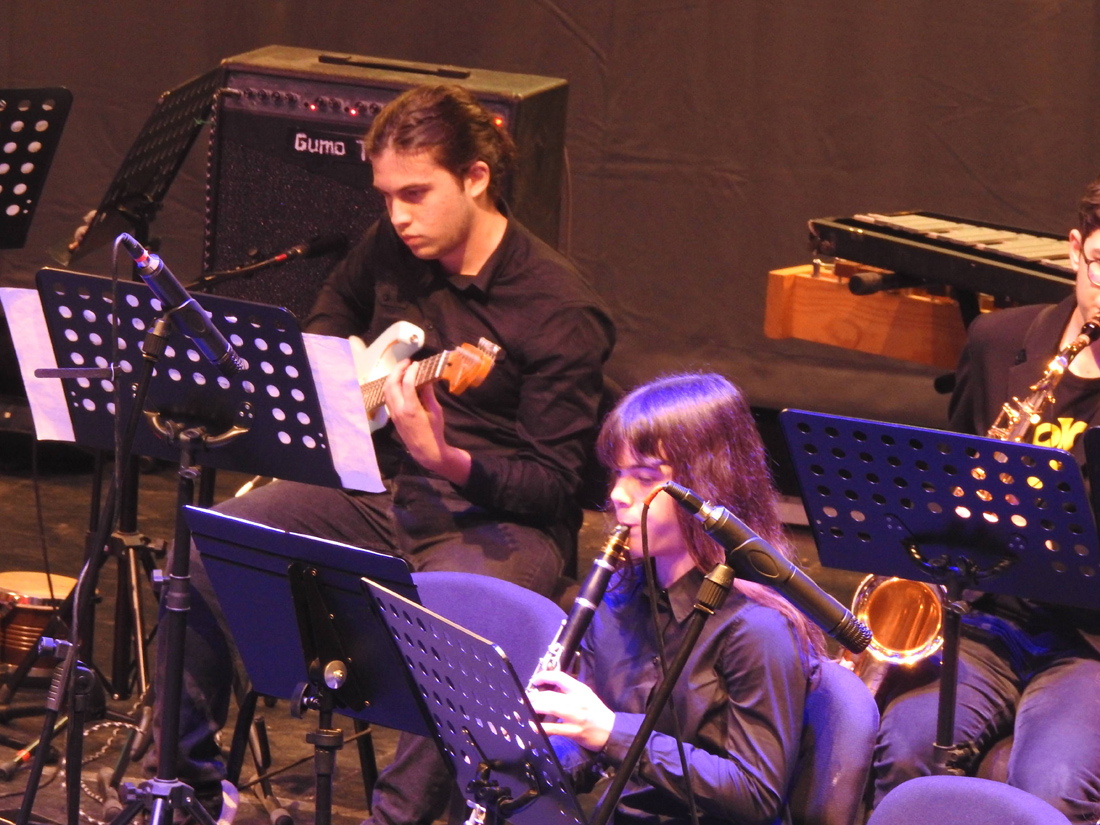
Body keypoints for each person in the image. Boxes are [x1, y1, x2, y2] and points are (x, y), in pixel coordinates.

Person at [157, 84, 615, 823]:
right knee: (210, 543)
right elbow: (331, 311)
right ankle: (187, 792)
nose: (398, 215)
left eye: (416, 193)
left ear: (475, 178)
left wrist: (446, 457)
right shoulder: (394, 247)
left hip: (499, 524)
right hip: (383, 493)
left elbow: (554, 489)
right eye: (386, 195)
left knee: (466, 629)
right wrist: (350, 377)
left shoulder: (558, 308)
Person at [872, 174, 1100, 822]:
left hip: (1085, 643)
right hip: (987, 621)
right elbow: (951, 469)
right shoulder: (999, 342)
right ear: (1074, 248)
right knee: (903, 748)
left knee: (1051, 785)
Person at [527, 373, 824, 825]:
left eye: (644, 478)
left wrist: (612, 733)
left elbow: (756, 795)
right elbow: (585, 749)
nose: (617, 495)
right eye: (618, 473)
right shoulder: (617, 593)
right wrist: (532, 762)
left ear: (710, 488)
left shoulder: (757, 628)